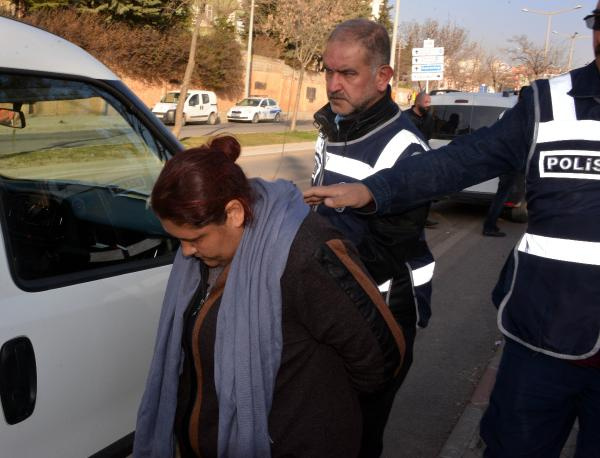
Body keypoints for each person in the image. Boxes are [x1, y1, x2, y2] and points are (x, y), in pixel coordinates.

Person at [304, 4, 600, 456]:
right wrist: (372, 191)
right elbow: (457, 162)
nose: (334, 84)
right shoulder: (549, 103)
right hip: (543, 341)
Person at [133, 136, 405, 458]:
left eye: (195, 239)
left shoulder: (306, 255)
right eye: (178, 240)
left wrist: (313, 409)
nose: (186, 252)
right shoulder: (205, 256)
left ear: (234, 213)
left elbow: (381, 357)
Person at [311, 18, 434, 457]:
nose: (333, 84)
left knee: (357, 435)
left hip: (381, 312)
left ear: (383, 78)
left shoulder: (405, 149)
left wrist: (308, 255)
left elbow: (386, 251)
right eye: (328, 71)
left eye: (347, 73)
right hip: (334, 304)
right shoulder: (334, 128)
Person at [482, 172, 517, 237]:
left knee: (500, 197)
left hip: (506, 169)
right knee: (500, 199)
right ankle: (489, 228)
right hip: (508, 169)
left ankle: (491, 225)